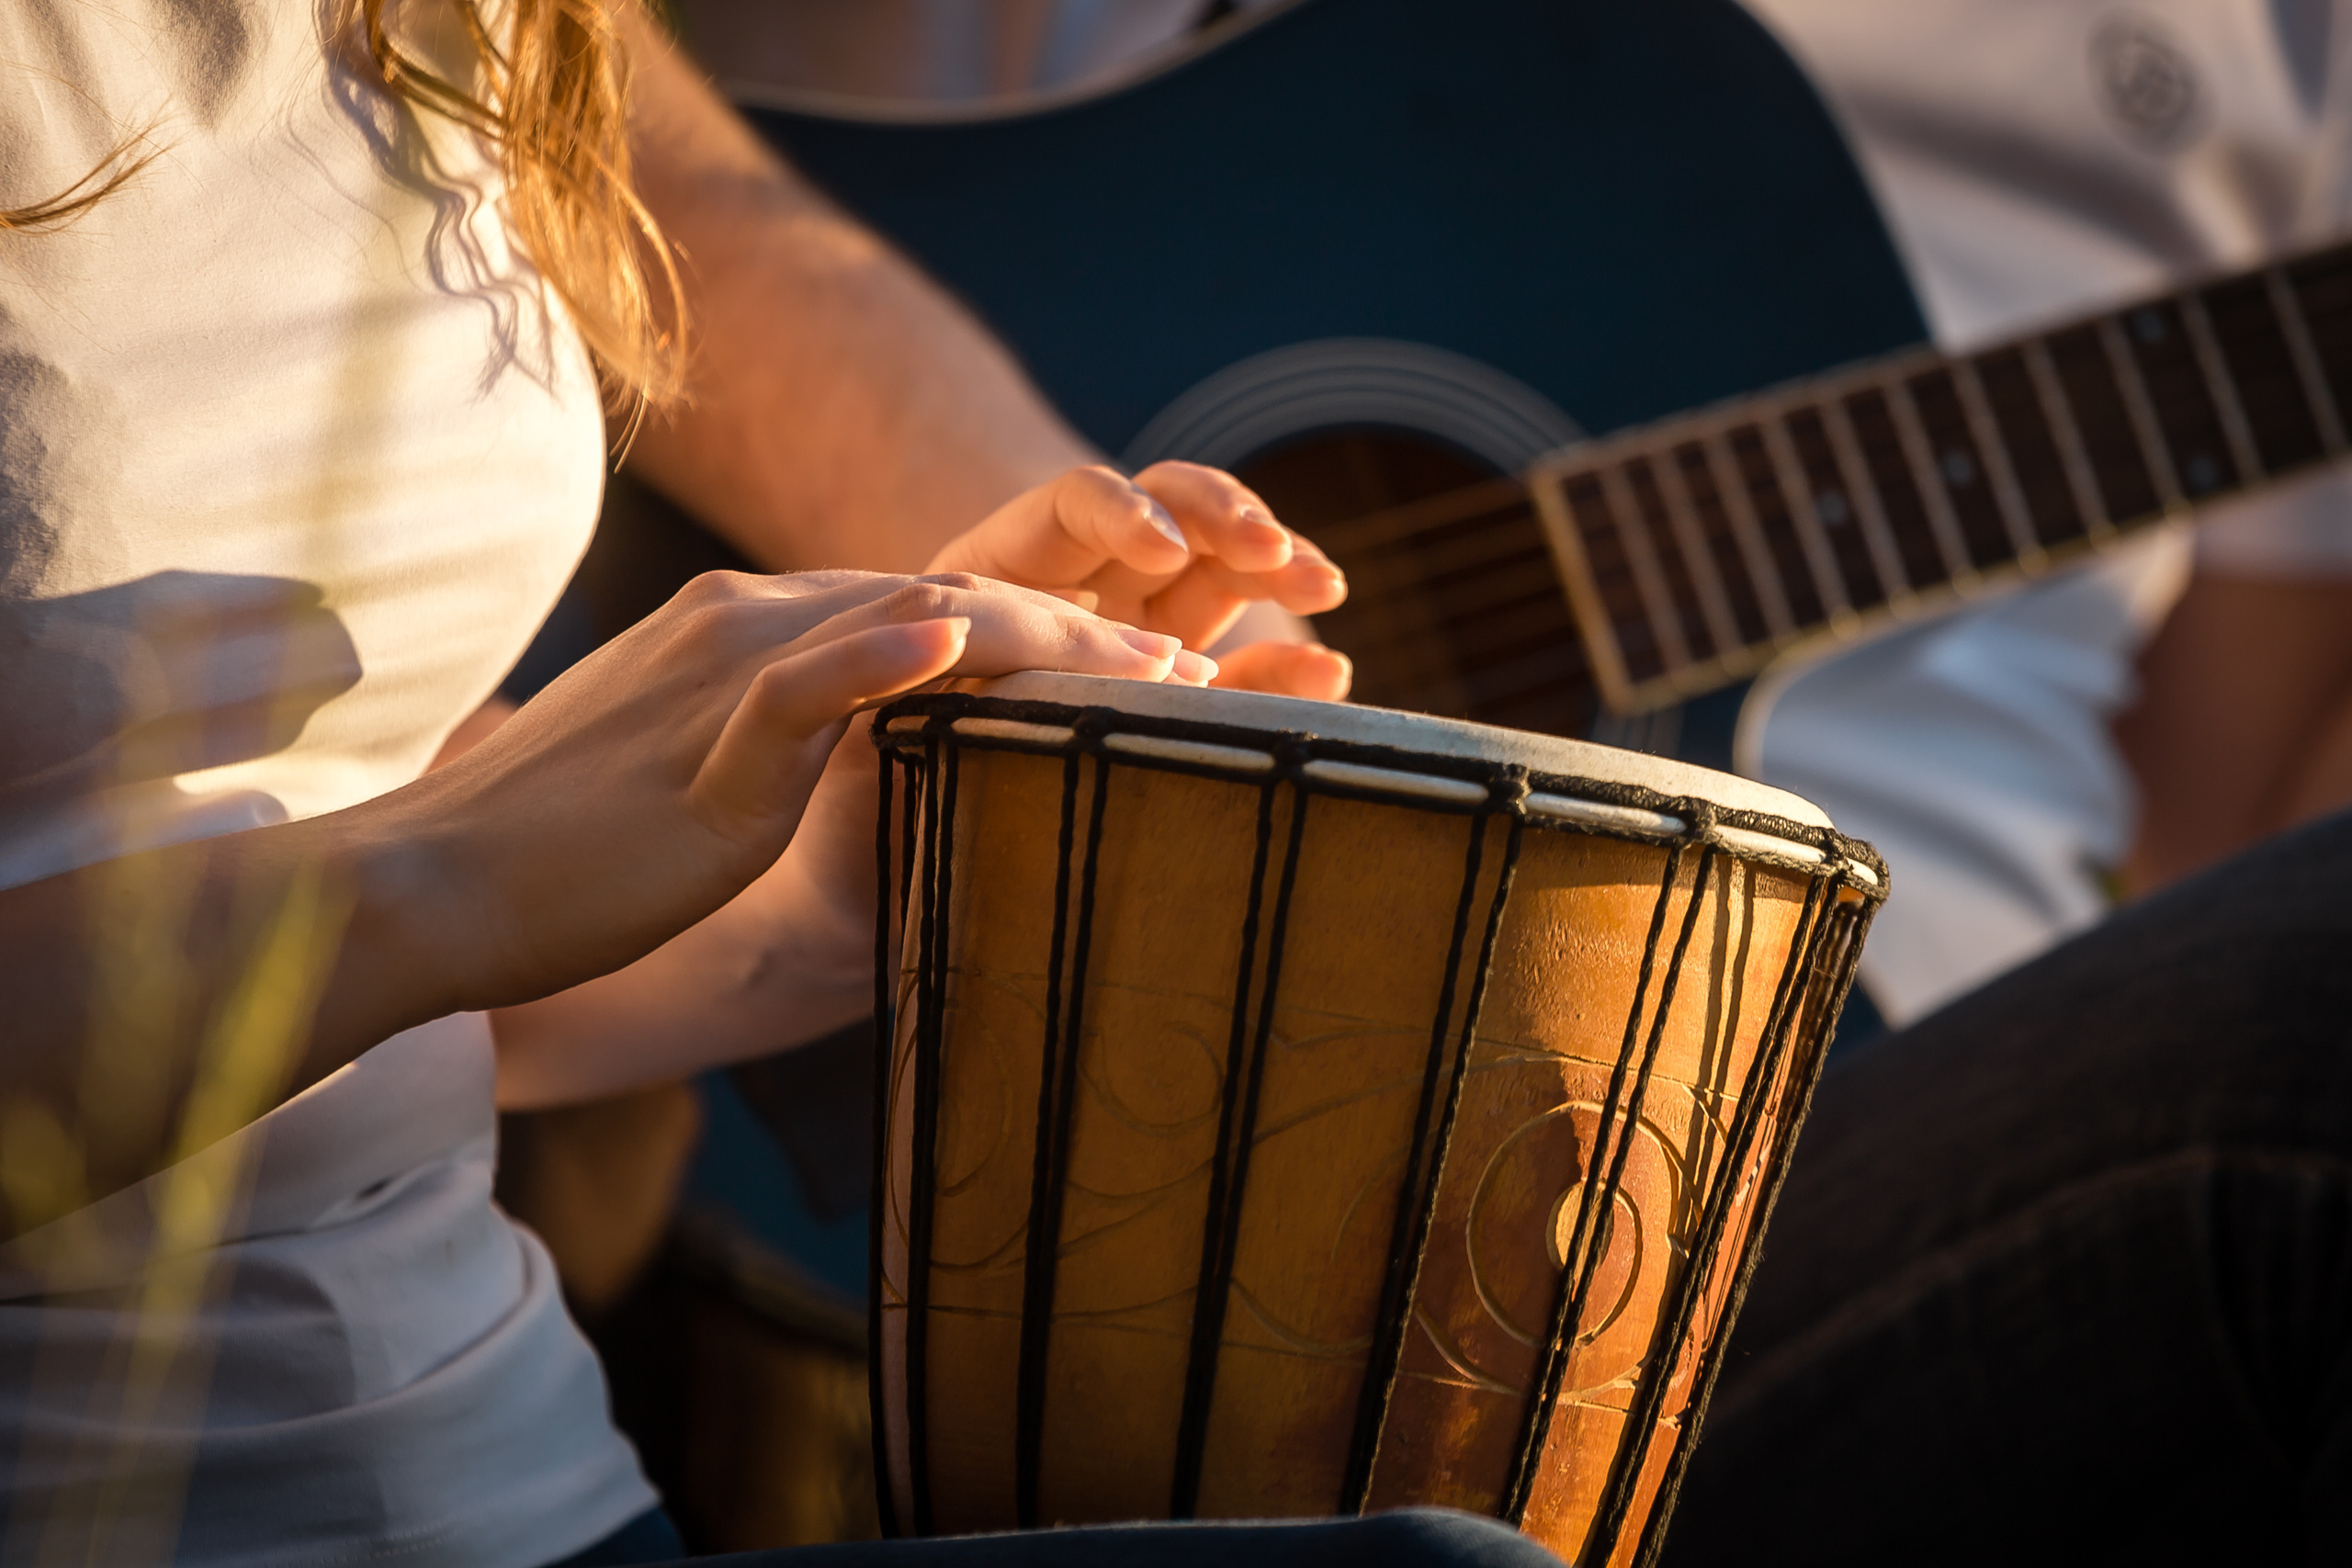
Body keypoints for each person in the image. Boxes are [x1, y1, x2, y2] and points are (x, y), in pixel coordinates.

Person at [0, 5, 1526, 1567]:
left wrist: (856, 852)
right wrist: (442, 866)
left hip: (535, 1486)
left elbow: (414, 984)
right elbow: (404, 893)